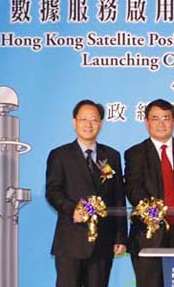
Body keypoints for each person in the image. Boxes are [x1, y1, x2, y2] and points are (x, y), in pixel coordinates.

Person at [46, 99, 127, 287]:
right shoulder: (60, 155)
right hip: (71, 240)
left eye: (94, 119)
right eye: (83, 119)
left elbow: (118, 197)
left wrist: (120, 236)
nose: (88, 124)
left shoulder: (112, 156)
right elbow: (53, 191)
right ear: (74, 122)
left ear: (101, 124)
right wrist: (72, 209)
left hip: (103, 240)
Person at [124, 99, 174, 287]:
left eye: (166, 118)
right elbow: (133, 189)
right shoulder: (135, 153)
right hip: (149, 234)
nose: (161, 123)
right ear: (146, 122)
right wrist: (154, 212)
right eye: (155, 118)